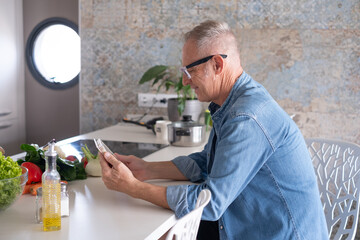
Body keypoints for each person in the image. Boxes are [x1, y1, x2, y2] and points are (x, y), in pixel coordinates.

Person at [100, 20, 328, 239]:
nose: (185, 81)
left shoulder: (246, 117)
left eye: (189, 70)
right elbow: (207, 162)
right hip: (247, 223)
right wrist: (146, 169)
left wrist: (134, 188)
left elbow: (211, 203)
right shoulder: (233, 102)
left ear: (217, 64)